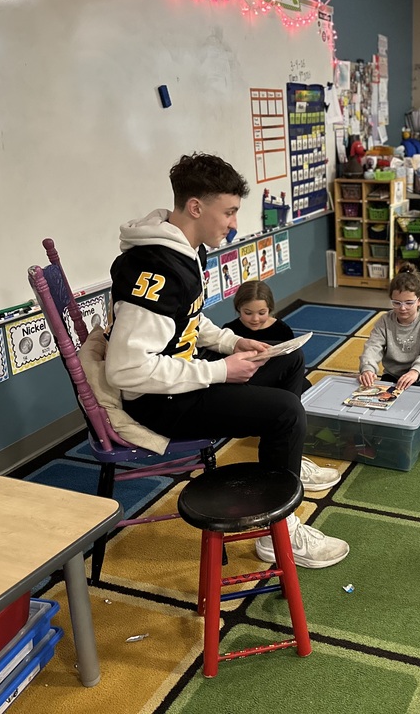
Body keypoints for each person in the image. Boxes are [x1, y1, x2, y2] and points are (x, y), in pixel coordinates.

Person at [104, 152, 348, 569]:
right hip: (162, 403)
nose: (234, 223)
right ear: (196, 207)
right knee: (286, 412)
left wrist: (231, 343)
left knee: (287, 361)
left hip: (186, 380)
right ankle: (280, 533)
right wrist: (220, 371)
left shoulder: (183, 250)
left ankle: (283, 465)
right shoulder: (159, 271)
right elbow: (126, 369)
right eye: (230, 212)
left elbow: (188, 323)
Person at [358, 263, 420, 390]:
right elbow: (372, 347)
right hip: (392, 375)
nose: (402, 308)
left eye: (409, 303)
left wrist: (415, 372)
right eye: (396, 303)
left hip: (419, 375)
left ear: (419, 300)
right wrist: (368, 369)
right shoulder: (385, 321)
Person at [225, 280, 311, 393]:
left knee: (305, 384)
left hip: (277, 376)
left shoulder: (281, 329)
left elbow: (291, 361)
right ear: (238, 309)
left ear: (269, 309)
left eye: (261, 313)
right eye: (248, 313)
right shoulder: (229, 331)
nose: (255, 319)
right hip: (246, 379)